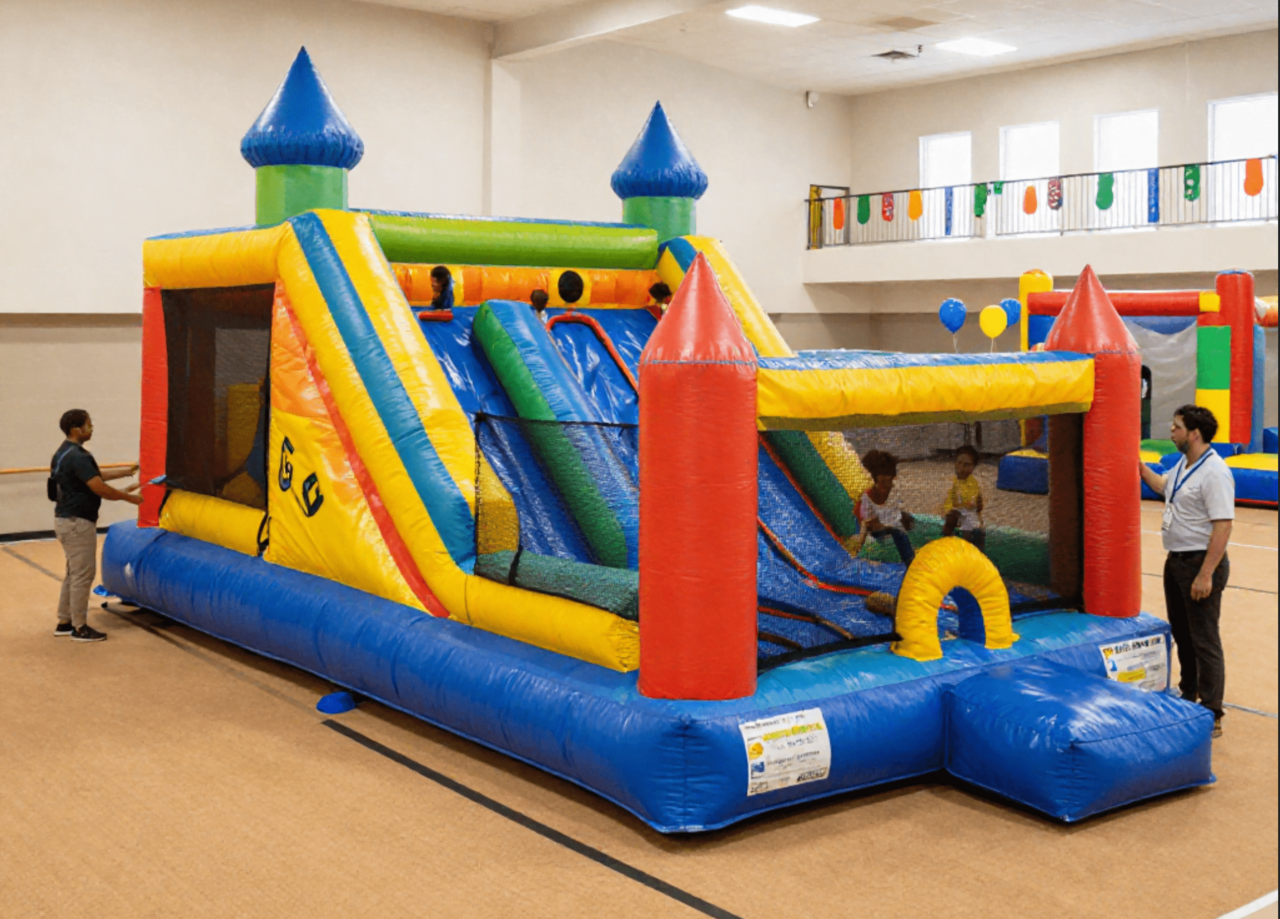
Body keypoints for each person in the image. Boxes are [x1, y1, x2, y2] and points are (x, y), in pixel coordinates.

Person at [1139, 404, 1234, 738]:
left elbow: (1223, 526)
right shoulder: (1183, 464)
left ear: (1194, 434)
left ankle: (1211, 711)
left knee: (1204, 639)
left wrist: (1206, 574)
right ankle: (1188, 694)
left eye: (1176, 427)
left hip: (1199, 564)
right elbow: (1163, 486)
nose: (1171, 431)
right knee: (1182, 633)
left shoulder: (1215, 472)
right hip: (1176, 562)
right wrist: (1138, 466)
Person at [50, 409, 143, 642]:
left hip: (66, 521)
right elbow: (98, 486)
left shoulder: (64, 452)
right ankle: (79, 628)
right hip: (77, 523)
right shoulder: (78, 456)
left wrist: (128, 471)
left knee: (74, 573)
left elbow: (94, 475)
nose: (91, 428)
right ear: (77, 429)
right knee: (83, 575)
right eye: (88, 424)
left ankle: (65, 621)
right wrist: (128, 498)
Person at [857, 450, 915, 566]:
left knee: (905, 525)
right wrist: (887, 526)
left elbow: (895, 512)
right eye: (881, 476)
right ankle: (910, 562)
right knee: (898, 533)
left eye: (887, 477)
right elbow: (869, 524)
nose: (884, 480)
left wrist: (901, 519)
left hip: (891, 526)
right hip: (879, 532)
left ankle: (911, 561)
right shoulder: (867, 498)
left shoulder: (894, 493)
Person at [941, 445, 985, 552]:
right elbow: (949, 502)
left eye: (967, 465)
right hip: (958, 514)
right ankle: (947, 543)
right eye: (959, 463)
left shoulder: (972, 483)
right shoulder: (954, 481)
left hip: (969, 515)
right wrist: (949, 511)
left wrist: (959, 509)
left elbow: (973, 504)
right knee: (952, 518)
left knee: (970, 529)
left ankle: (967, 548)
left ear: (973, 468)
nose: (961, 467)